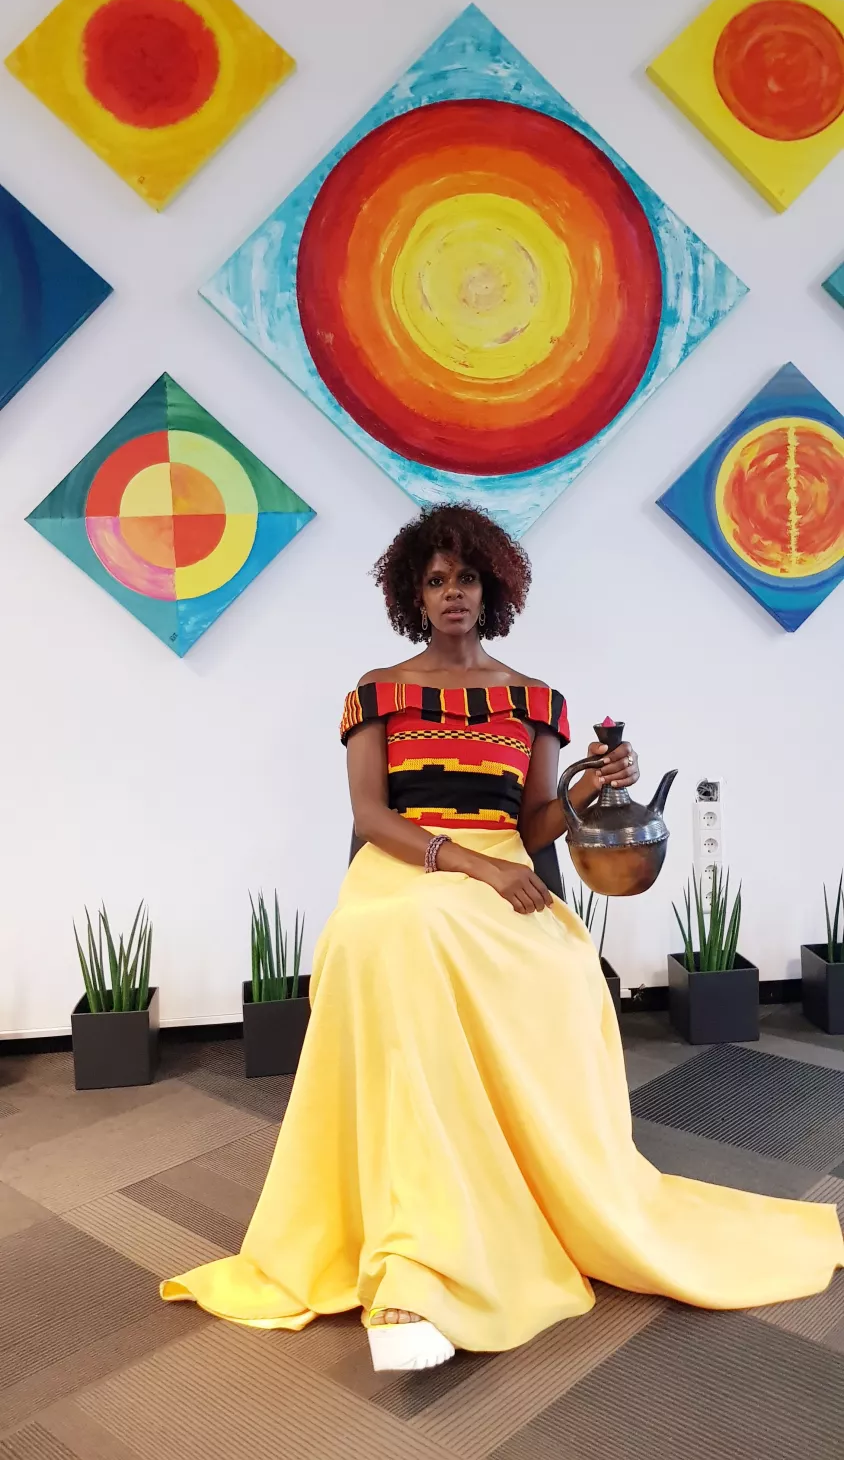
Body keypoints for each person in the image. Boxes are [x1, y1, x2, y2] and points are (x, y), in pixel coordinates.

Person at [162, 503, 843, 1373]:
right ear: (414, 596)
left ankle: (495, 1202)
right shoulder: (377, 691)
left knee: (558, 966)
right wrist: (468, 865)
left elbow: (535, 824)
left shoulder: (536, 700)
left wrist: (588, 790)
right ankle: (415, 1259)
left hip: (502, 865)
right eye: (435, 580)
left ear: (492, 590)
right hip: (407, 865)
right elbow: (369, 815)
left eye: (466, 578)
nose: (452, 593)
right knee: (400, 931)